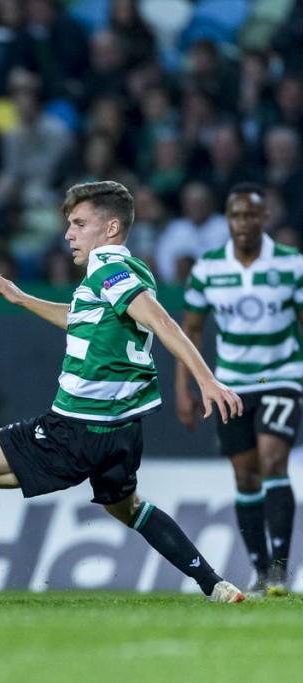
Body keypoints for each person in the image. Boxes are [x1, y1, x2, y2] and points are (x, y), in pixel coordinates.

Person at [0, 181, 248, 604]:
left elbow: (161, 321)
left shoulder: (108, 269)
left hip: (76, 427)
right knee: (129, 507)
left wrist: (205, 378)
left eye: (80, 224)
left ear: (111, 228)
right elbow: (80, 318)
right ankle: (214, 584)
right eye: (69, 224)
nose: (68, 234)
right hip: (120, 434)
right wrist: (23, 298)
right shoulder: (130, 272)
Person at [177, 182, 299, 597]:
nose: (243, 223)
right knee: (245, 474)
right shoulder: (208, 268)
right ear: (227, 220)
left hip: (280, 376)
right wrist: (184, 389)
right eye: (236, 215)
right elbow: (189, 332)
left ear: (265, 219)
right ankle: (262, 570)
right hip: (231, 384)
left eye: (251, 215)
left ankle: (281, 571)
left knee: (272, 458)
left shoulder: (292, 264)